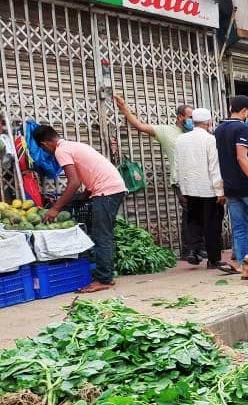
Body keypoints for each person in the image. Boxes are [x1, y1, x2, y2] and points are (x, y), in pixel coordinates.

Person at [32, 125, 127, 293]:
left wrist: (55, 208)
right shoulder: (76, 145)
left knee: (101, 235)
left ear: (45, 144)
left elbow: (74, 182)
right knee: (103, 234)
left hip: (106, 191)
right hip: (112, 188)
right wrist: (84, 195)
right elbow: (93, 172)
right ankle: (106, 275)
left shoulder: (61, 150)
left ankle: (104, 279)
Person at [114, 95, 199, 261]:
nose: (192, 121)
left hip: (198, 179)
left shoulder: (197, 133)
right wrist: (124, 108)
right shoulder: (167, 131)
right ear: (181, 117)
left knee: (197, 213)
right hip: (180, 180)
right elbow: (139, 125)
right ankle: (190, 250)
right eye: (190, 118)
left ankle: (197, 248)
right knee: (190, 212)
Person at [214, 95, 248, 274]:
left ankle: (243, 266)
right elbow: (242, 157)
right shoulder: (241, 128)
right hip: (246, 185)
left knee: (239, 227)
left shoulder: (219, 129)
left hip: (230, 186)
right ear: (244, 111)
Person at [174, 108, 225, 270]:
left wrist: (182, 187)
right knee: (212, 224)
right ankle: (213, 259)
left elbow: (177, 166)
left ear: (192, 122)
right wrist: (220, 191)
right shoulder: (210, 140)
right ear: (209, 122)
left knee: (193, 222)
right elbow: (214, 167)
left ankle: (194, 251)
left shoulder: (180, 139)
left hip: (189, 189)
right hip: (208, 190)